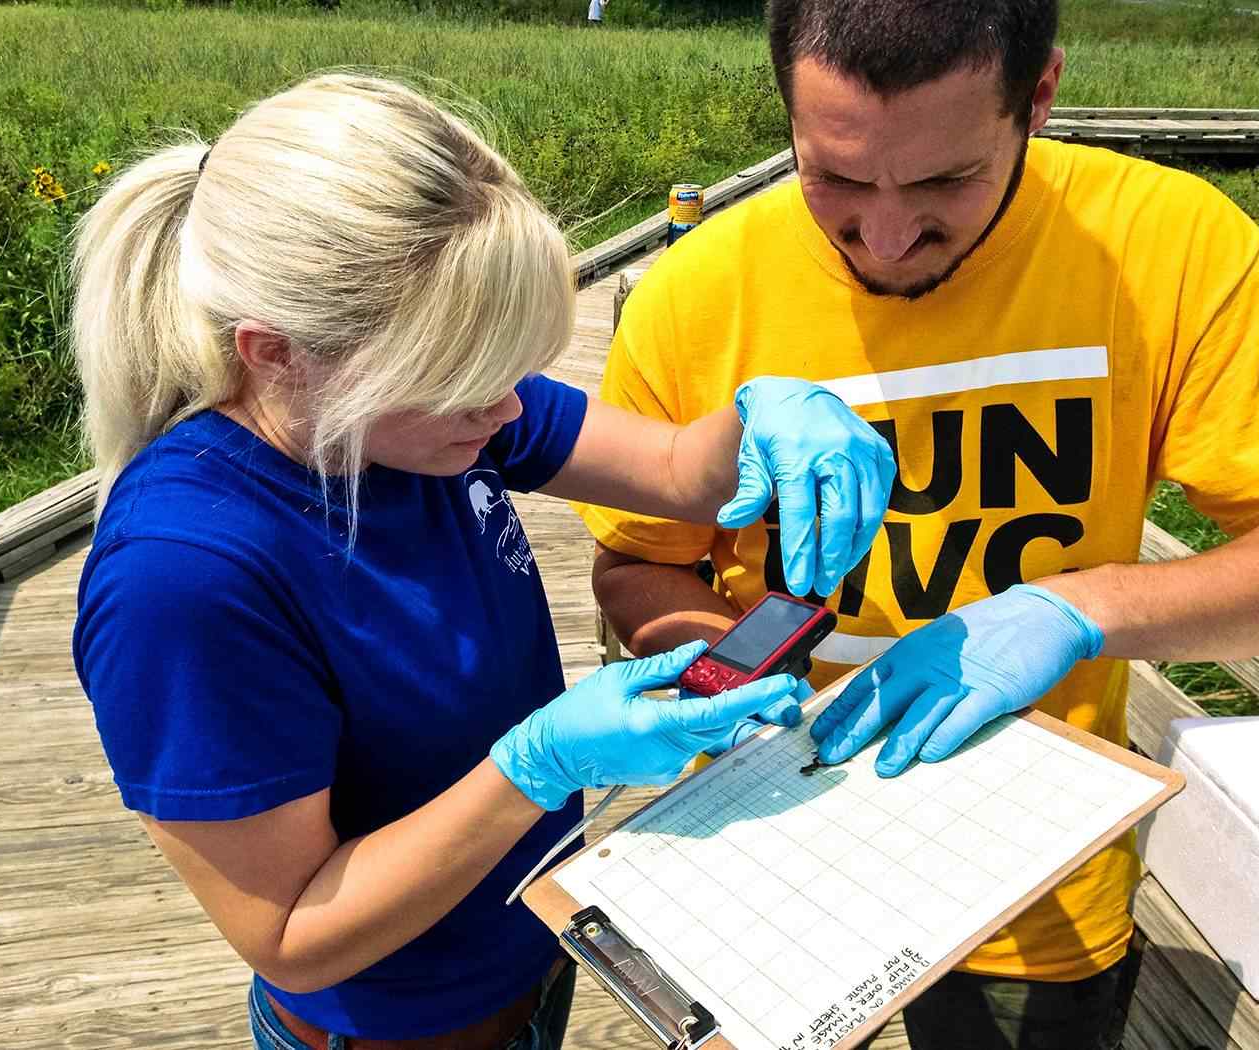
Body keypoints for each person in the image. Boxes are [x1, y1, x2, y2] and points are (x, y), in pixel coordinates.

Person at [68, 74, 893, 1050]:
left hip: (534, 944)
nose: (508, 413)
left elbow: (674, 470)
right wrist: (539, 767)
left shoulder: (426, 411)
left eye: (513, 368)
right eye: (464, 382)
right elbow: (289, 931)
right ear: (278, 353)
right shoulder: (184, 576)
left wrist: (763, 416)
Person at [576, 2, 1259, 1047]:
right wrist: (726, 666)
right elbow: (631, 568)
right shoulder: (697, 288)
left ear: (1039, 96)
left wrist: (1078, 607)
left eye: (945, 181)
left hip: (1027, 882)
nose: (884, 236)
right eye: (833, 178)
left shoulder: (1168, 245)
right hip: (759, 844)